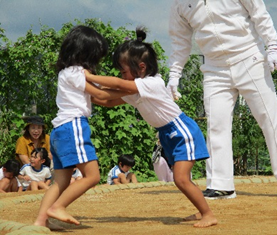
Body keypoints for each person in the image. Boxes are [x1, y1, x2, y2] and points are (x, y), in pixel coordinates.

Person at [167, 0, 277, 199]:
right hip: (214, 68)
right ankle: (221, 184)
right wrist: (174, 75)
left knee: (270, 118)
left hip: (249, 57)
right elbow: (180, 41)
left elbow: (259, 13)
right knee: (216, 126)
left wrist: (272, 46)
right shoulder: (179, 4)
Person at [85, 27, 217, 228]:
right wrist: (84, 89)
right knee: (182, 179)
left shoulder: (152, 83)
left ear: (142, 67)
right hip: (168, 134)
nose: (121, 75)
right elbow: (107, 99)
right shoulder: (137, 90)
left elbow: (117, 85)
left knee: (180, 179)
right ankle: (202, 211)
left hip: (182, 131)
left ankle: (208, 214)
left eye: (123, 71)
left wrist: (90, 77)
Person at [33, 25, 129, 229]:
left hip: (61, 130)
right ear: (86, 53)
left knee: (60, 181)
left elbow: (103, 97)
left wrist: (132, 98)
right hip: (73, 127)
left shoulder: (66, 73)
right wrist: (133, 92)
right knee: (93, 176)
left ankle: (41, 221)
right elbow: (102, 95)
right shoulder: (76, 72)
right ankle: (58, 207)